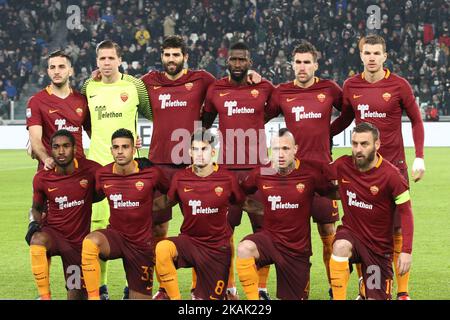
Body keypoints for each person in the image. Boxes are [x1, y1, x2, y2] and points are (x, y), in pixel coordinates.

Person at [141, 35, 261, 299]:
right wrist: (92, 77)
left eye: (176, 55)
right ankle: (160, 286)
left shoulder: (203, 79)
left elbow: (230, 81)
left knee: (205, 224)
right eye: (166, 54)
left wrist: (250, 73)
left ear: (186, 57)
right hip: (159, 163)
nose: (171, 59)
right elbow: (121, 91)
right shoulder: (149, 81)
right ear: (161, 56)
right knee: (157, 228)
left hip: (192, 166)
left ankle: (202, 285)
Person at [330, 34, 424, 300]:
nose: (371, 58)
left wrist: (419, 156)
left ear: (385, 56)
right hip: (362, 170)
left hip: (393, 168)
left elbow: (416, 121)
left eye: (376, 53)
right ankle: (365, 286)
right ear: (361, 55)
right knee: (362, 227)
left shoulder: (399, 85)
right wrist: (320, 133)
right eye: (367, 53)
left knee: (395, 228)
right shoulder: (351, 85)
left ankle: (403, 292)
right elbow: (346, 119)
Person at [267, 41, 343, 297]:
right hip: (290, 177)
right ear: (292, 64)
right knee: (291, 239)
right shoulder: (282, 92)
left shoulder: (329, 89)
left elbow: (351, 111)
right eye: (298, 62)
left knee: (328, 233)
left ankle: (336, 287)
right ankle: (288, 290)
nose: (302, 67)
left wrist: (329, 131)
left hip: (322, 174)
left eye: (307, 62)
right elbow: (259, 116)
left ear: (316, 64)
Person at [202, 41, 274, 299]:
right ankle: (229, 286)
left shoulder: (264, 88)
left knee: (264, 232)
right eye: (233, 59)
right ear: (226, 61)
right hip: (227, 174)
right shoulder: (216, 89)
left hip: (259, 172)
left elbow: (277, 107)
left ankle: (262, 288)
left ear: (250, 62)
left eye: (242, 60)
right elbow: (204, 123)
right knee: (223, 233)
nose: (237, 64)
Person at [81, 40, 152, 299]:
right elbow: (81, 118)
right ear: (96, 61)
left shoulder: (135, 86)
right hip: (99, 166)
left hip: (129, 168)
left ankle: (129, 285)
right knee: (97, 226)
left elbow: (154, 114)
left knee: (133, 226)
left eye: (111, 58)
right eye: (102, 59)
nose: (107, 63)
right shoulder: (88, 86)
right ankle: (99, 287)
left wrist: (136, 138)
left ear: (120, 59)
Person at [236, 128, 336, 300]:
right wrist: (262, 209)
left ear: (295, 149)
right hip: (269, 241)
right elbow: (239, 196)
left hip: (297, 249)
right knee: (245, 248)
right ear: (270, 150)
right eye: (276, 149)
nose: (280, 154)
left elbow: (332, 193)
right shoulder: (261, 172)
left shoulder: (309, 173)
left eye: (285, 149)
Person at [152, 128, 246, 300]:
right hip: (189, 243)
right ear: (189, 152)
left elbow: (243, 202)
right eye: (195, 149)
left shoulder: (227, 178)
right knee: (162, 248)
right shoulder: (181, 177)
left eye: (203, 149)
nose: (199, 154)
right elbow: (166, 201)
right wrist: (137, 203)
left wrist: (272, 209)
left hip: (217, 249)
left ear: (213, 151)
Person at [329, 122, 414, 300]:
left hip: (378, 249)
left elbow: (406, 213)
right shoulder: (343, 165)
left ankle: (366, 288)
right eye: (355, 144)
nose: (358, 149)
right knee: (340, 247)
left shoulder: (392, 176)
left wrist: (406, 251)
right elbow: (317, 177)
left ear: (376, 145)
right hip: (351, 235)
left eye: (364, 144)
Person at [81, 128, 168, 300]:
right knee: (90, 243)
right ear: (111, 150)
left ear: (133, 149)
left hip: (141, 244)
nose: (120, 151)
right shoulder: (103, 175)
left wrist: (154, 206)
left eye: (125, 147)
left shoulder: (151, 173)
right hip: (116, 237)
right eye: (116, 147)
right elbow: (90, 196)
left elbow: (173, 192)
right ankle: (94, 297)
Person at [28, 129, 102, 300]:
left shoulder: (91, 169)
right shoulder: (42, 178)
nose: (61, 151)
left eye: (66, 146)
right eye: (56, 147)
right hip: (54, 235)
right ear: (51, 150)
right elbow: (36, 208)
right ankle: (44, 297)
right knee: (37, 240)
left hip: (77, 244)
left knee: (75, 295)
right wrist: (33, 223)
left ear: (75, 149)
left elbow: (108, 185)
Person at [27, 50, 90, 170]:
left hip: (79, 170)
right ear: (48, 71)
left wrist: (132, 138)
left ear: (70, 71)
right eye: (52, 67)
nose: (56, 71)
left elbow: (96, 134)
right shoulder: (36, 101)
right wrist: (46, 159)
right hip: (51, 170)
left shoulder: (82, 100)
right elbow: (35, 139)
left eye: (61, 67)